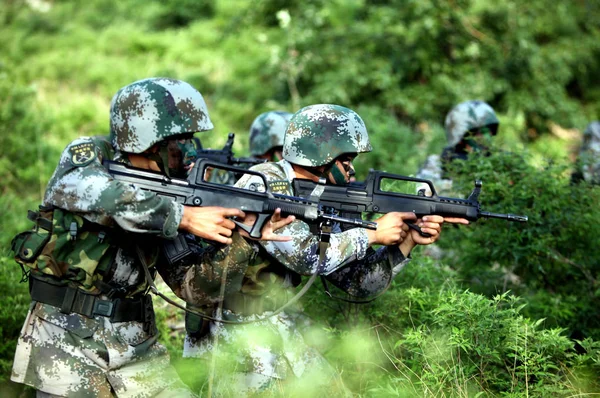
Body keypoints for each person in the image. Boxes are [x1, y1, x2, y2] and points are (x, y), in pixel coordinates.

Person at [9, 77, 293, 397]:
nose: (190, 151)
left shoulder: (174, 188)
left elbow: (194, 289)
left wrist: (246, 238)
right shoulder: (91, 156)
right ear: (151, 140)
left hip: (136, 345)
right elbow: (83, 190)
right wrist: (183, 218)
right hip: (65, 340)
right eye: (181, 139)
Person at [182, 104, 469, 395]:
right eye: (346, 160)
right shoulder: (266, 181)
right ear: (322, 156)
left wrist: (406, 240)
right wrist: (372, 233)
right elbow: (305, 256)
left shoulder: (325, 196)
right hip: (231, 326)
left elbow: (361, 283)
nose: (352, 169)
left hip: (274, 319)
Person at [416, 100, 499, 196]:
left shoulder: (497, 163)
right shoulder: (438, 163)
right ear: (461, 137)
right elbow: (425, 195)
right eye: (480, 132)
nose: (487, 137)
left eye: (490, 131)